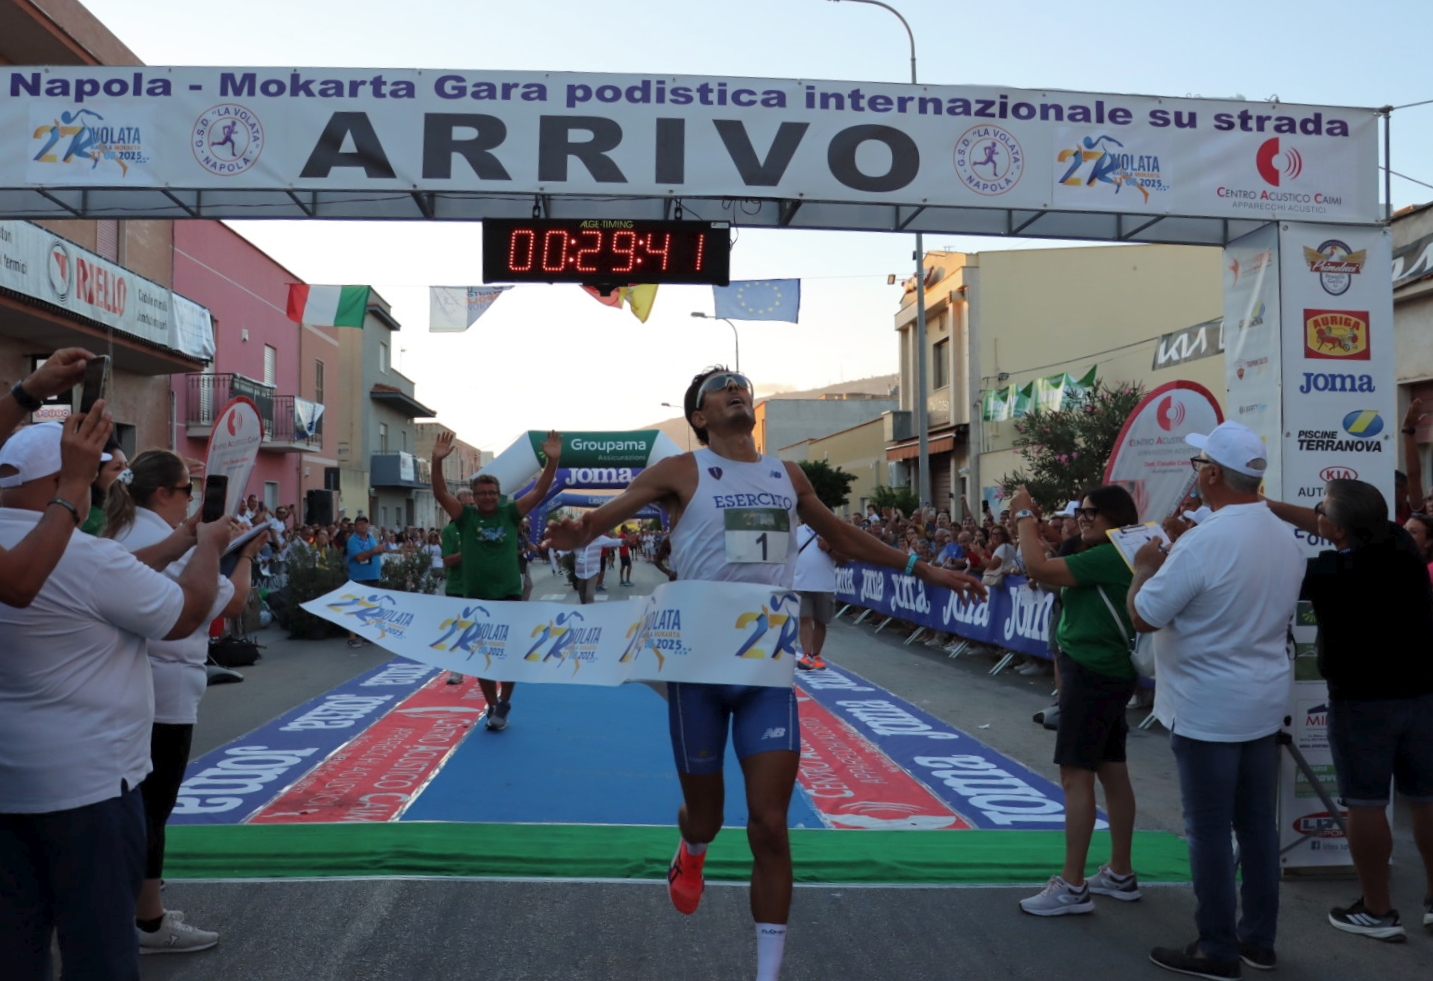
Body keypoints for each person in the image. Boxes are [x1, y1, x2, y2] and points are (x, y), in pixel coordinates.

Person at [542, 367, 985, 981]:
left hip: (765, 672)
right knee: (708, 817)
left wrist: (922, 567)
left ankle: (767, 973)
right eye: (720, 388)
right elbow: (600, 521)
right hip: (697, 671)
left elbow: (845, 539)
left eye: (741, 384)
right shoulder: (680, 472)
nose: (735, 390)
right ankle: (691, 849)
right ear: (699, 417)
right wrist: (576, 531)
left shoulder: (788, 475)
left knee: (770, 826)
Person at [0, 419, 228, 981]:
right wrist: (211, 546)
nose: (102, 486)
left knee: (15, 950)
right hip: (91, 791)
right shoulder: (86, 559)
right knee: (98, 952)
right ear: (61, 477)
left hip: (9, 785)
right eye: (93, 474)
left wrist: (181, 538)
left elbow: (113, 578)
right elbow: (187, 612)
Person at [1127, 421, 1305, 978]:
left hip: (1207, 706)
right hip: (1261, 699)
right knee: (1256, 828)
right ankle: (1257, 941)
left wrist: (1143, 570)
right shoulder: (1283, 534)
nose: (1194, 475)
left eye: (1196, 466)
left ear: (1209, 474)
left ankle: (1216, 948)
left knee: (1207, 831)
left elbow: (1144, 614)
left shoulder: (1206, 540)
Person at [106, 450, 265, 953]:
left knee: (129, 802)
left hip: (131, 682)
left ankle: (130, 901)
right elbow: (230, 602)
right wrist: (244, 555)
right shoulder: (161, 539)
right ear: (162, 493)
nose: (191, 501)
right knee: (153, 807)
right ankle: (148, 921)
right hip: (164, 684)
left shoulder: (121, 533)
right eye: (186, 491)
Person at [1265, 479, 1433, 941]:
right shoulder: (1401, 545)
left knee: (1365, 804)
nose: (1313, 513)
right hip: (1422, 695)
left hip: (1361, 704)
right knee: (1425, 798)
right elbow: (1334, 526)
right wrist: (1267, 506)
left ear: (1336, 529)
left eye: (1320, 509)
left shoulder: (1325, 573)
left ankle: (1378, 910)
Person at [1008, 484, 1144, 916]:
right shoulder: (1121, 552)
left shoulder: (1109, 555)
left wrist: (1024, 516)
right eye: (1081, 511)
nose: (1083, 518)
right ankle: (1120, 872)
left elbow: (1035, 564)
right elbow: (1049, 570)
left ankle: (1072, 884)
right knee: (1112, 771)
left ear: (1115, 518)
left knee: (1075, 776)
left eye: (1092, 513)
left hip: (1091, 672)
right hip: (1106, 671)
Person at [431, 430, 563, 730]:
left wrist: (552, 462)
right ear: (474, 498)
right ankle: (492, 704)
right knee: (481, 659)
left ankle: (504, 701)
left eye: (492, 493)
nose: (488, 497)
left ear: (498, 495)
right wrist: (435, 462)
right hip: (476, 598)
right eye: (482, 493)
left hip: (508, 596)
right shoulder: (464, 517)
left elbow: (540, 492)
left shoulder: (510, 513)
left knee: (510, 657)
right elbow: (440, 493)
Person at [793, 521, 840, 672]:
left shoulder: (832, 532)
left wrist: (829, 548)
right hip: (801, 583)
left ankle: (817, 655)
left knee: (821, 622)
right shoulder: (797, 531)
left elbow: (844, 558)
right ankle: (806, 655)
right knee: (805, 619)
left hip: (824, 584)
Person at [344, 515, 383, 649]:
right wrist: (374, 551)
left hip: (373, 575)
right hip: (358, 577)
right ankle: (352, 637)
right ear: (355, 526)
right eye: (359, 524)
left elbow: (375, 552)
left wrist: (379, 550)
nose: (363, 526)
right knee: (356, 607)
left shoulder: (371, 538)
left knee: (371, 607)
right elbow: (360, 557)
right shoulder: (352, 541)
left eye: (365, 524)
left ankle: (367, 634)